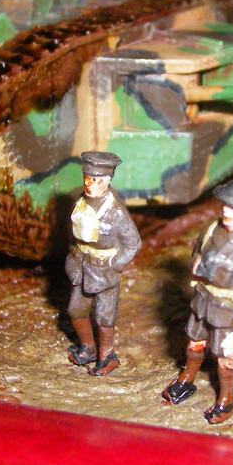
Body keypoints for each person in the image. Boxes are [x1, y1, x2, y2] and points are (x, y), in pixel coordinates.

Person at [163, 178, 233, 424]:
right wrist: (195, 271)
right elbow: (197, 252)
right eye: (226, 205)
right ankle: (186, 380)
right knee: (194, 342)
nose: (227, 211)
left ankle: (226, 400)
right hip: (204, 298)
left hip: (228, 310)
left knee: (226, 357)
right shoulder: (212, 230)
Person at [65, 151, 141, 375]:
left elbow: (133, 244)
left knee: (104, 317)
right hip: (80, 267)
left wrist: (115, 265)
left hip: (104, 271)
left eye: (97, 180)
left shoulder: (116, 212)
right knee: (75, 311)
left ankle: (107, 356)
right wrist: (73, 253)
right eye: (87, 178)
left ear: (107, 181)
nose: (90, 184)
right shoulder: (80, 202)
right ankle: (88, 348)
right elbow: (72, 232)